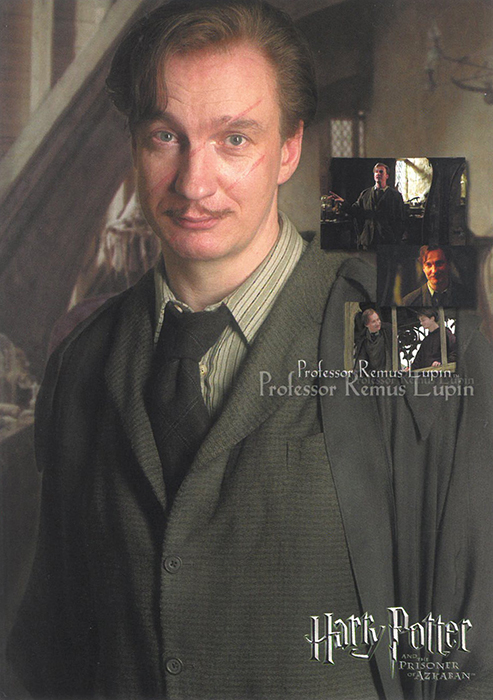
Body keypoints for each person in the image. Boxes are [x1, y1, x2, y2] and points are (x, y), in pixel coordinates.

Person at [7, 2, 493, 699]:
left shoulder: (413, 345)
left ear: (288, 149)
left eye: (234, 139)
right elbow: (49, 653)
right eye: (166, 136)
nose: (194, 183)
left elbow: (476, 658)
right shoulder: (83, 361)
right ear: (135, 145)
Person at [328, 162, 407, 249]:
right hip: (368, 240)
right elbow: (355, 211)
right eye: (376, 172)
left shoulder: (395, 196)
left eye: (381, 172)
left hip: (387, 241)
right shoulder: (365, 194)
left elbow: (401, 219)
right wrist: (343, 202)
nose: (378, 174)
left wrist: (396, 238)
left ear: (387, 176)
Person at [402, 245, 470, 307]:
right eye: (428, 265)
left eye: (439, 264)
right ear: (423, 268)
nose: (434, 271)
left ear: (448, 265)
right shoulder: (408, 302)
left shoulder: (468, 296)